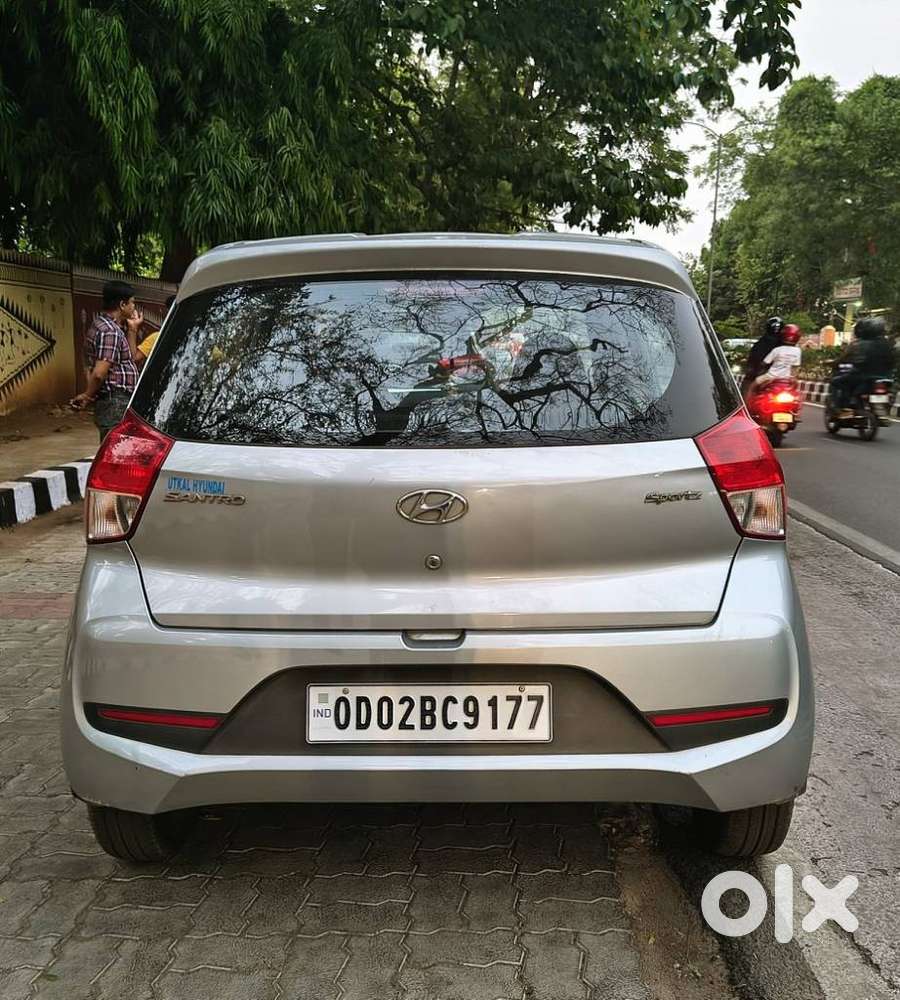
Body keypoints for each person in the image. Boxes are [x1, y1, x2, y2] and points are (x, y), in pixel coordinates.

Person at [70, 280, 142, 440]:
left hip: (116, 400)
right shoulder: (110, 331)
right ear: (122, 304)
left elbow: (129, 357)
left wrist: (132, 329)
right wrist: (88, 395)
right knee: (116, 449)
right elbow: (99, 373)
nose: (133, 308)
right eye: (132, 303)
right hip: (115, 400)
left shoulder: (106, 326)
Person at [830, 316, 895, 411]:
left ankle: (840, 408)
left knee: (836, 382)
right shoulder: (887, 344)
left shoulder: (859, 344)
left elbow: (846, 359)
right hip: (885, 378)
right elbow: (892, 361)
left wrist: (834, 363)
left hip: (864, 377)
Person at [742, 316, 784, 395]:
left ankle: (745, 404)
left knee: (748, 386)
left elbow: (756, 359)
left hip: (764, 373)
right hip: (782, 377)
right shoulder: (788, 346)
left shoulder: (762, 342)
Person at [754, 323, 802, 388]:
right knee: (796, 389)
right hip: (787, 379)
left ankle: (746, 398)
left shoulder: (777, 350)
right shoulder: (798, 351)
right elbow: (795, 366)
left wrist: (759, 366)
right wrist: (793, 377)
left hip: (770, 377)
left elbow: (764, 363)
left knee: (753, 385)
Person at [135, 294, 175, 366]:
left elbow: (135, 357)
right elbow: (135, 357)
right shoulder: (157, 338)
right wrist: (132, 329)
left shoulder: (157, 337)